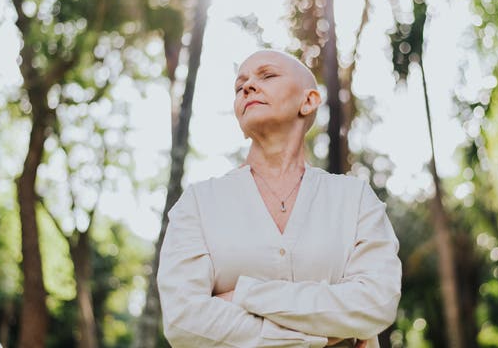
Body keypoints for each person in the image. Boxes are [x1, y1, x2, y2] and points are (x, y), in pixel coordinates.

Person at [157, 50, 402, 347]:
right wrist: (320, 336)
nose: (247, 87)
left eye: (267, 75)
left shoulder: (355, 199)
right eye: (239, 86)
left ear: (309, 100)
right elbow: (184, 321)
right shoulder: (198, 203)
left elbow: (376, 304)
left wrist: (245, 294)